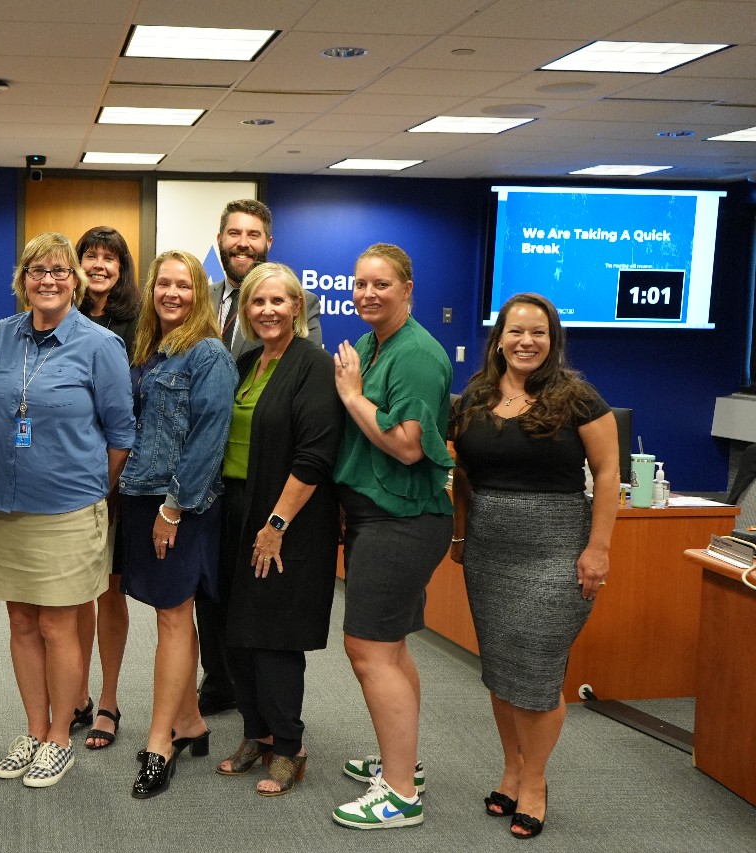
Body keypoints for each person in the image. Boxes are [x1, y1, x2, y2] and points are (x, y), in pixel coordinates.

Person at [450, 293, 617, 839]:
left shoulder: (577, 398)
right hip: (490, 547)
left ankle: (537, 782)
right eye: (516, 331)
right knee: (501, 669)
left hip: (557, 546)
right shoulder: (473, 397)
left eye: (538, 333)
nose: (526, 342)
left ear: (552, 339)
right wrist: (460, 534)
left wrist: (598, 549)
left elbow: (609, 474)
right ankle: (512, 769)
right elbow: (463, 479)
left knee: (538, 672)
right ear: (499, 338)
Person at [0, 232, 134, 788]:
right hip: (6, 505)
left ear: (75, 279)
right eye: (36, 270)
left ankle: (60, 738)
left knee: (57, 623)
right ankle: (33, 727)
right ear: (22, 279)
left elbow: (121, 435)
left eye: (59, 270)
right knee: (21, 620)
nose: (48, 280)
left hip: (70, 507)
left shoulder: (99, 345)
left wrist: (96, 490)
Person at [330, 243, 454, 830]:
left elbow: (407, 445)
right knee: (392, 648)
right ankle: (403, 763)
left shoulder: (418, 355)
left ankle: (400, 794)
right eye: (360, 284)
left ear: (408, 288)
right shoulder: (375, 344)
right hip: (379, 516)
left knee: (368, 650)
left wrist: (353, 396)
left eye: (381, 284)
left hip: (401, 520)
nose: (367, 294)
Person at [212, 262, 343, 797]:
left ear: (297, 308)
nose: (267, 311)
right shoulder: (246, 362)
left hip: (286, 518)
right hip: (235, 510)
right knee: (235, 631)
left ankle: (288, 747)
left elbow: (314, 457)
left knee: (274, 637)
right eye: (257, 303)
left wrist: (276, 524)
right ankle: (255, 733)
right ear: (245, 312)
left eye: (278, 301)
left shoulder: (313, 366)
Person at [119, 249, 237, 798]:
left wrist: (173, 508)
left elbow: (207, 440)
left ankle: (160, 740)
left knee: (172, 616)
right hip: (142, 495)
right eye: (163, 284)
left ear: (200, 295)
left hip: (180, 505)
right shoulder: (151, 349)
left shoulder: (208, 354)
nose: (172, 294)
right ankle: (190, 720)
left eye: (184, 286)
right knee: (175, 614)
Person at [198, 198, 322, 717]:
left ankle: (278, 730)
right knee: (219, 597)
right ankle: (223, 683)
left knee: (265, 610)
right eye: (233, 233)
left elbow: (306, 418)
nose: (241, 242)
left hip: (272, 478)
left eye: (252, 234)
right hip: (218, 481)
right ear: (220, 240)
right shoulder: (202, 298)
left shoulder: (302, 333)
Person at [73, 225, 140, 749]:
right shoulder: (58, 318)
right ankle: (75, 695)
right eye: (90, 256)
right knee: (71, 592)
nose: (99, 265)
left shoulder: (139, 326)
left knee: (109, 591)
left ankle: (110, 698)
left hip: (119, 478)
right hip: (66, 479)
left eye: (109, 258)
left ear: (122, 268)